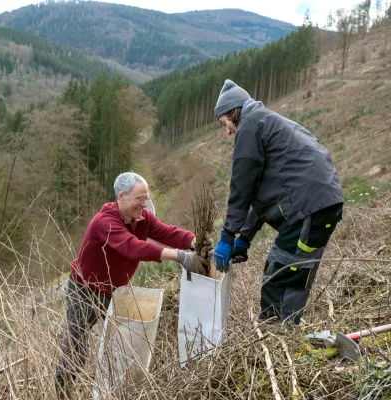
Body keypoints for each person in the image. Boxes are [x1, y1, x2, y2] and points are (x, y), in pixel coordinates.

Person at [55, 172, 212, 398]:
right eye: (140, 198)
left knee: (122, 344)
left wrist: (193, 240)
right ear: (122, 196)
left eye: (146, 198)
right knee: (76, 347)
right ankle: (64, 393)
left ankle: (115, 391)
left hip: (115, 293)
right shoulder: (105, 222)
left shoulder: (142, 218)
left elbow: (166, 232)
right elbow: (133, 247)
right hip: (84, 291)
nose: (144, 204)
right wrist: (180, 257)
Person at [213, 79, 343, 325]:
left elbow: (242, 184)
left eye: (224, 123)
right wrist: (245, 238)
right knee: (296, 271)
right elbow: (261, 193)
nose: (228, 131)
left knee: (280, 272)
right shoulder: (265, 120)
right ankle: (289, 328)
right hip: (322, 203)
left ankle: (276, 335)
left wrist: (228, 234)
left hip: (307, 207)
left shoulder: (250, 125)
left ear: (233, 112)